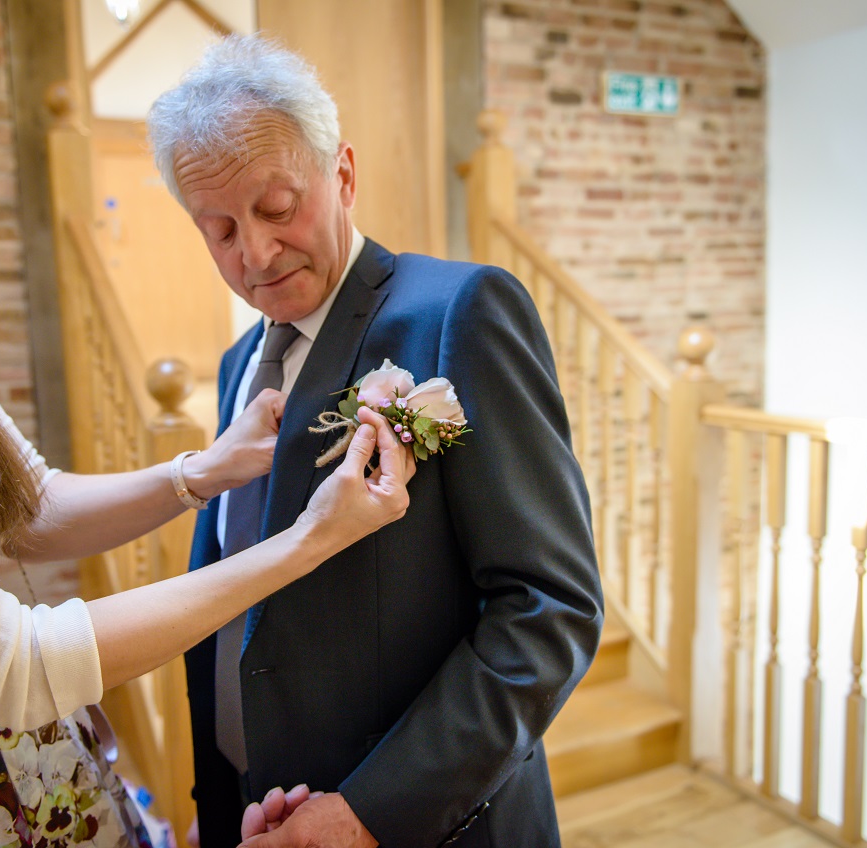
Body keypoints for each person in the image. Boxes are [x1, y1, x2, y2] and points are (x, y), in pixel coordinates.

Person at [0, 4, 413, 847]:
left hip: (53, 793)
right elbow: (14, 663)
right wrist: (310, 539)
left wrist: (196, 473)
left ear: (342, 176)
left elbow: (22, 506)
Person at [147, 35, 604, 848]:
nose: (253, 254)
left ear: (343, 175)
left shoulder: (458, 312)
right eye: (217, 230)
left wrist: (372, 813)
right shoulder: (236, 367)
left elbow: (548, 608)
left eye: (278, 209)